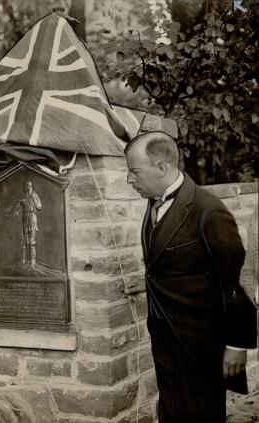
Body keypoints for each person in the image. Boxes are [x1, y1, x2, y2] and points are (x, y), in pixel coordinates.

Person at [124, 131, 257, 423]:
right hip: (164, 340)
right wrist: (148, 284)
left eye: (134, 172)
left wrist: (237, 345)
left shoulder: (209, 210)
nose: (129, 180)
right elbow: (179, 265)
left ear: (162, 167)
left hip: (202, 346)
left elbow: (236, 282)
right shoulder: (153, 203)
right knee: (171, 414)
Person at [9, 180, 42, 268]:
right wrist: (14, 211)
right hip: (25, 217)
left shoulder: (35, 195)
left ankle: (32, 262)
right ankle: (23, 260)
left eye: (29, 186)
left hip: (32, 217)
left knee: (31, 240)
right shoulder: (22, 195)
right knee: (24, 239)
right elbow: (17, 205)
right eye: (26, 186)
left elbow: (39, 206)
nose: (27, 187)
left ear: (31, 186)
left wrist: (34, 201)